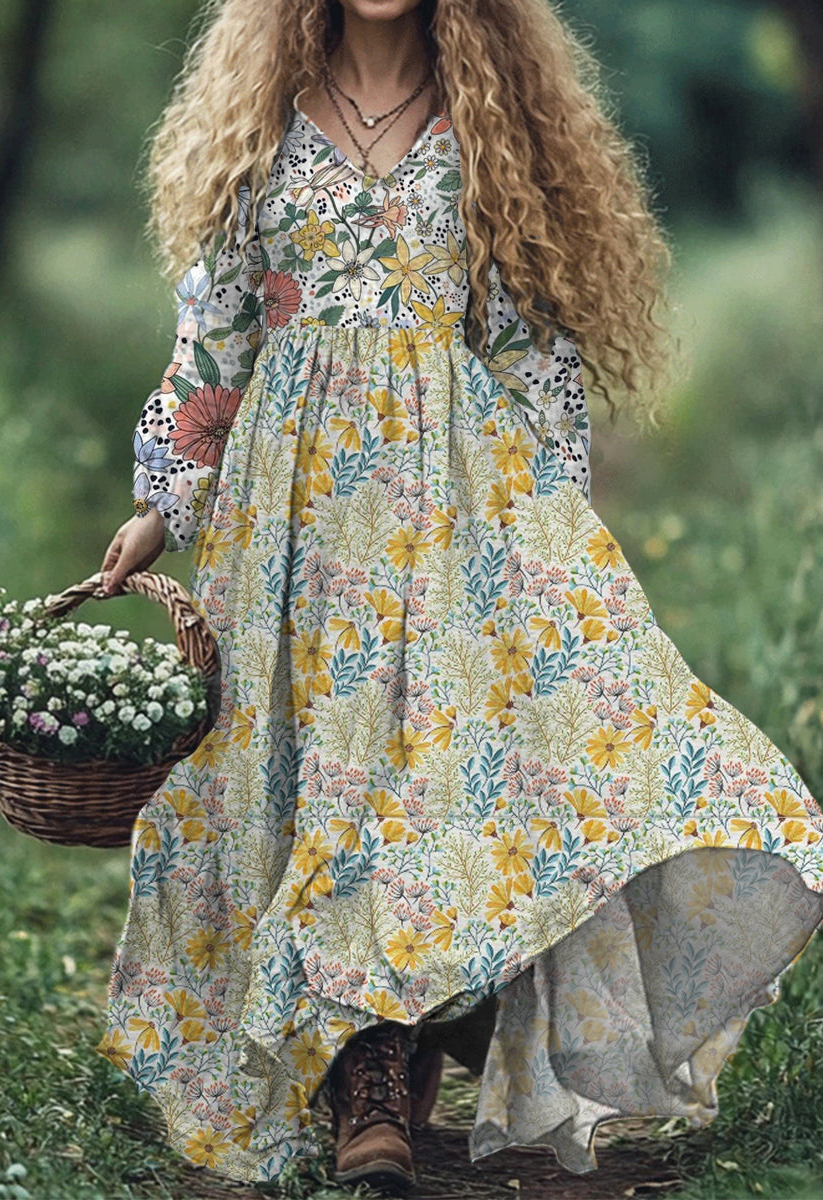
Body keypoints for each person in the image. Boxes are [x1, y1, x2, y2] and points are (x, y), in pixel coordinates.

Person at [95, 0, 823, 1193]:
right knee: (314, 775)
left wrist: (553, 529)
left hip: (454, 493)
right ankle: (376, 1060)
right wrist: (165, 501)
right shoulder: (258, 118)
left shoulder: (492, 118)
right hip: (293, 508)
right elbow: (213, 335)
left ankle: (396, 1055)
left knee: (422, 773)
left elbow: (530, 344)